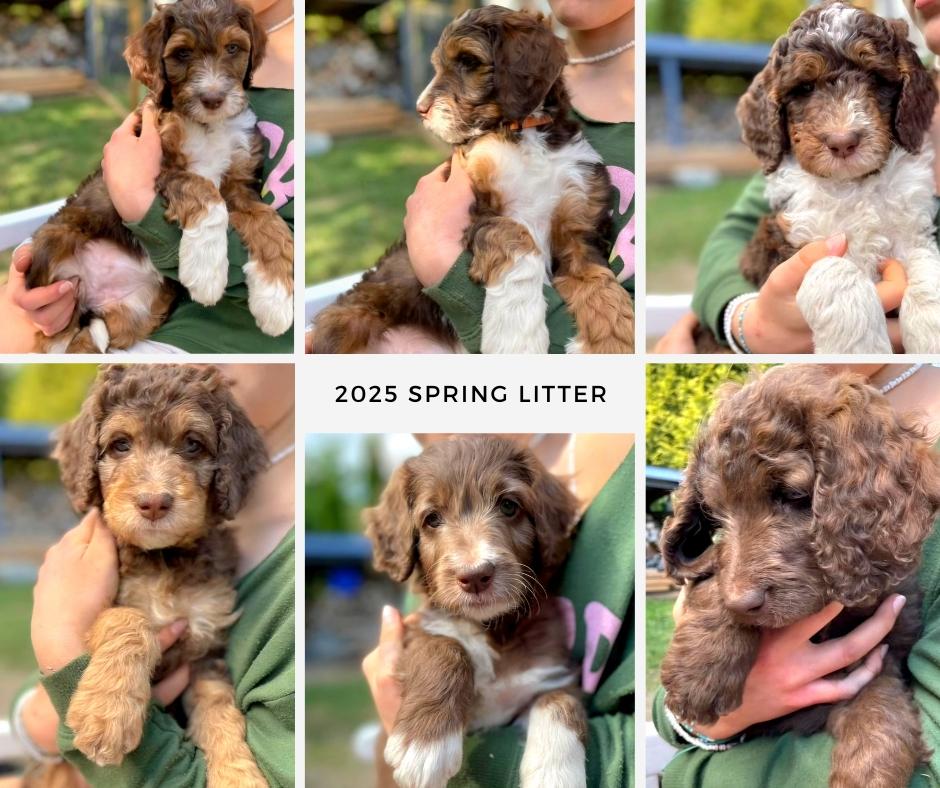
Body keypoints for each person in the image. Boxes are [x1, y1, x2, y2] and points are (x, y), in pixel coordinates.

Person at [652, 363, 940, 787]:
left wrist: (688, 773)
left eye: (791, 496)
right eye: (722, 517)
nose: (739, 589)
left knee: (881, 735)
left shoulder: (865, 453)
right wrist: (707, 719)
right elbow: (677, 712)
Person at [10, 364, 295, 787]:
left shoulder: (257, 575)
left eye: (192, 446)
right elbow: (41, 706)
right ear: (87, 459)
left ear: (228, 464)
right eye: (121, 445)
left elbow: (206, 670)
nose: (154, 493)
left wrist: (230, 763)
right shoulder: (92, 560)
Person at [306, 0, 635, 354]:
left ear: (520, 71)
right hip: (384, 322)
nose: (423, 100)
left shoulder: (580, 157)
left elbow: (579, 263)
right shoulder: (483, 149)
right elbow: (466, 220)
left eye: (467, 63)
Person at [0, 0, 294, 354]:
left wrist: (275, 265)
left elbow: (233, 201)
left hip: (188, 319)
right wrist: (32, 262)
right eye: (183, 56)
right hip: (93, 250)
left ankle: (92, 333)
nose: (212, 84)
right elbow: (123, 176)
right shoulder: (168, 53)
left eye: (233, 50)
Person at [653, 2, 940, 355]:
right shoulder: (792, 176)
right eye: (804, 90)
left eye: (876, 80)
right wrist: (741, 319)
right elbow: (731, 238)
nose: (841, 131)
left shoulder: (911, 89)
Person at [362, 433, 635, 786]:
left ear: (543, 525)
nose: (473, 563)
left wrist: (559, 730)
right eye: (432, 519)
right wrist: (436, 684)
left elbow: (564, 693)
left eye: (508, 507)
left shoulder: (546, 632)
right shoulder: (433, 632)